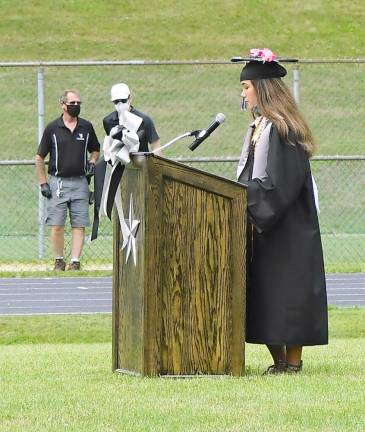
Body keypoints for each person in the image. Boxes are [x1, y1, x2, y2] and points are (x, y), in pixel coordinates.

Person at [236, 48, 328, 374]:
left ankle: (292, 363)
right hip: (263, 224)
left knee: (287, 292)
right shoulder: (259, 127)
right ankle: (278, 361)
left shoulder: (283, 129)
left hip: (286, 227)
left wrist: (247, 202)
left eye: (246, 86)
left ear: (262, 88)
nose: (242, 93)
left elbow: (280, 184)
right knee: (265, 294)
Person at [35, 90, 100, 271]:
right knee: (57, 225)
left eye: (78, 103)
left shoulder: (86, 127)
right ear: (63, 105)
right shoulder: (52, 129)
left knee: (79, 224)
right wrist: (43, 183)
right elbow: (39, 157)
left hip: (80, 182)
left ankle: (75, 261)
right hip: (58, 182)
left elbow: (95, 149)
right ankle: (59, 260)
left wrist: (92, 161)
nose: (76, 106)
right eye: (72, 103)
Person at [103, 82, 160, 152]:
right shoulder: (108, 121)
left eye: (123, 100)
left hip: (141, 161)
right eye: (116, 101)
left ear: (130, 98)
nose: (120, 104)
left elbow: (156, 148)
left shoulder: (144, 120)